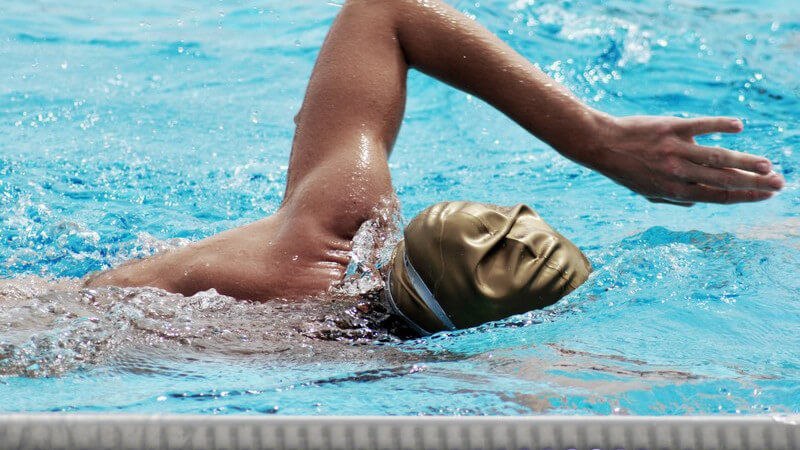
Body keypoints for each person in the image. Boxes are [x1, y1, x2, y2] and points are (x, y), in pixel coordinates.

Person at [84, 0, 785, 335]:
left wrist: (595, 143)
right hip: (53, 313)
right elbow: (385, 9)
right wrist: (592, 138)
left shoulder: (340, 218)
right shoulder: (318, 274)